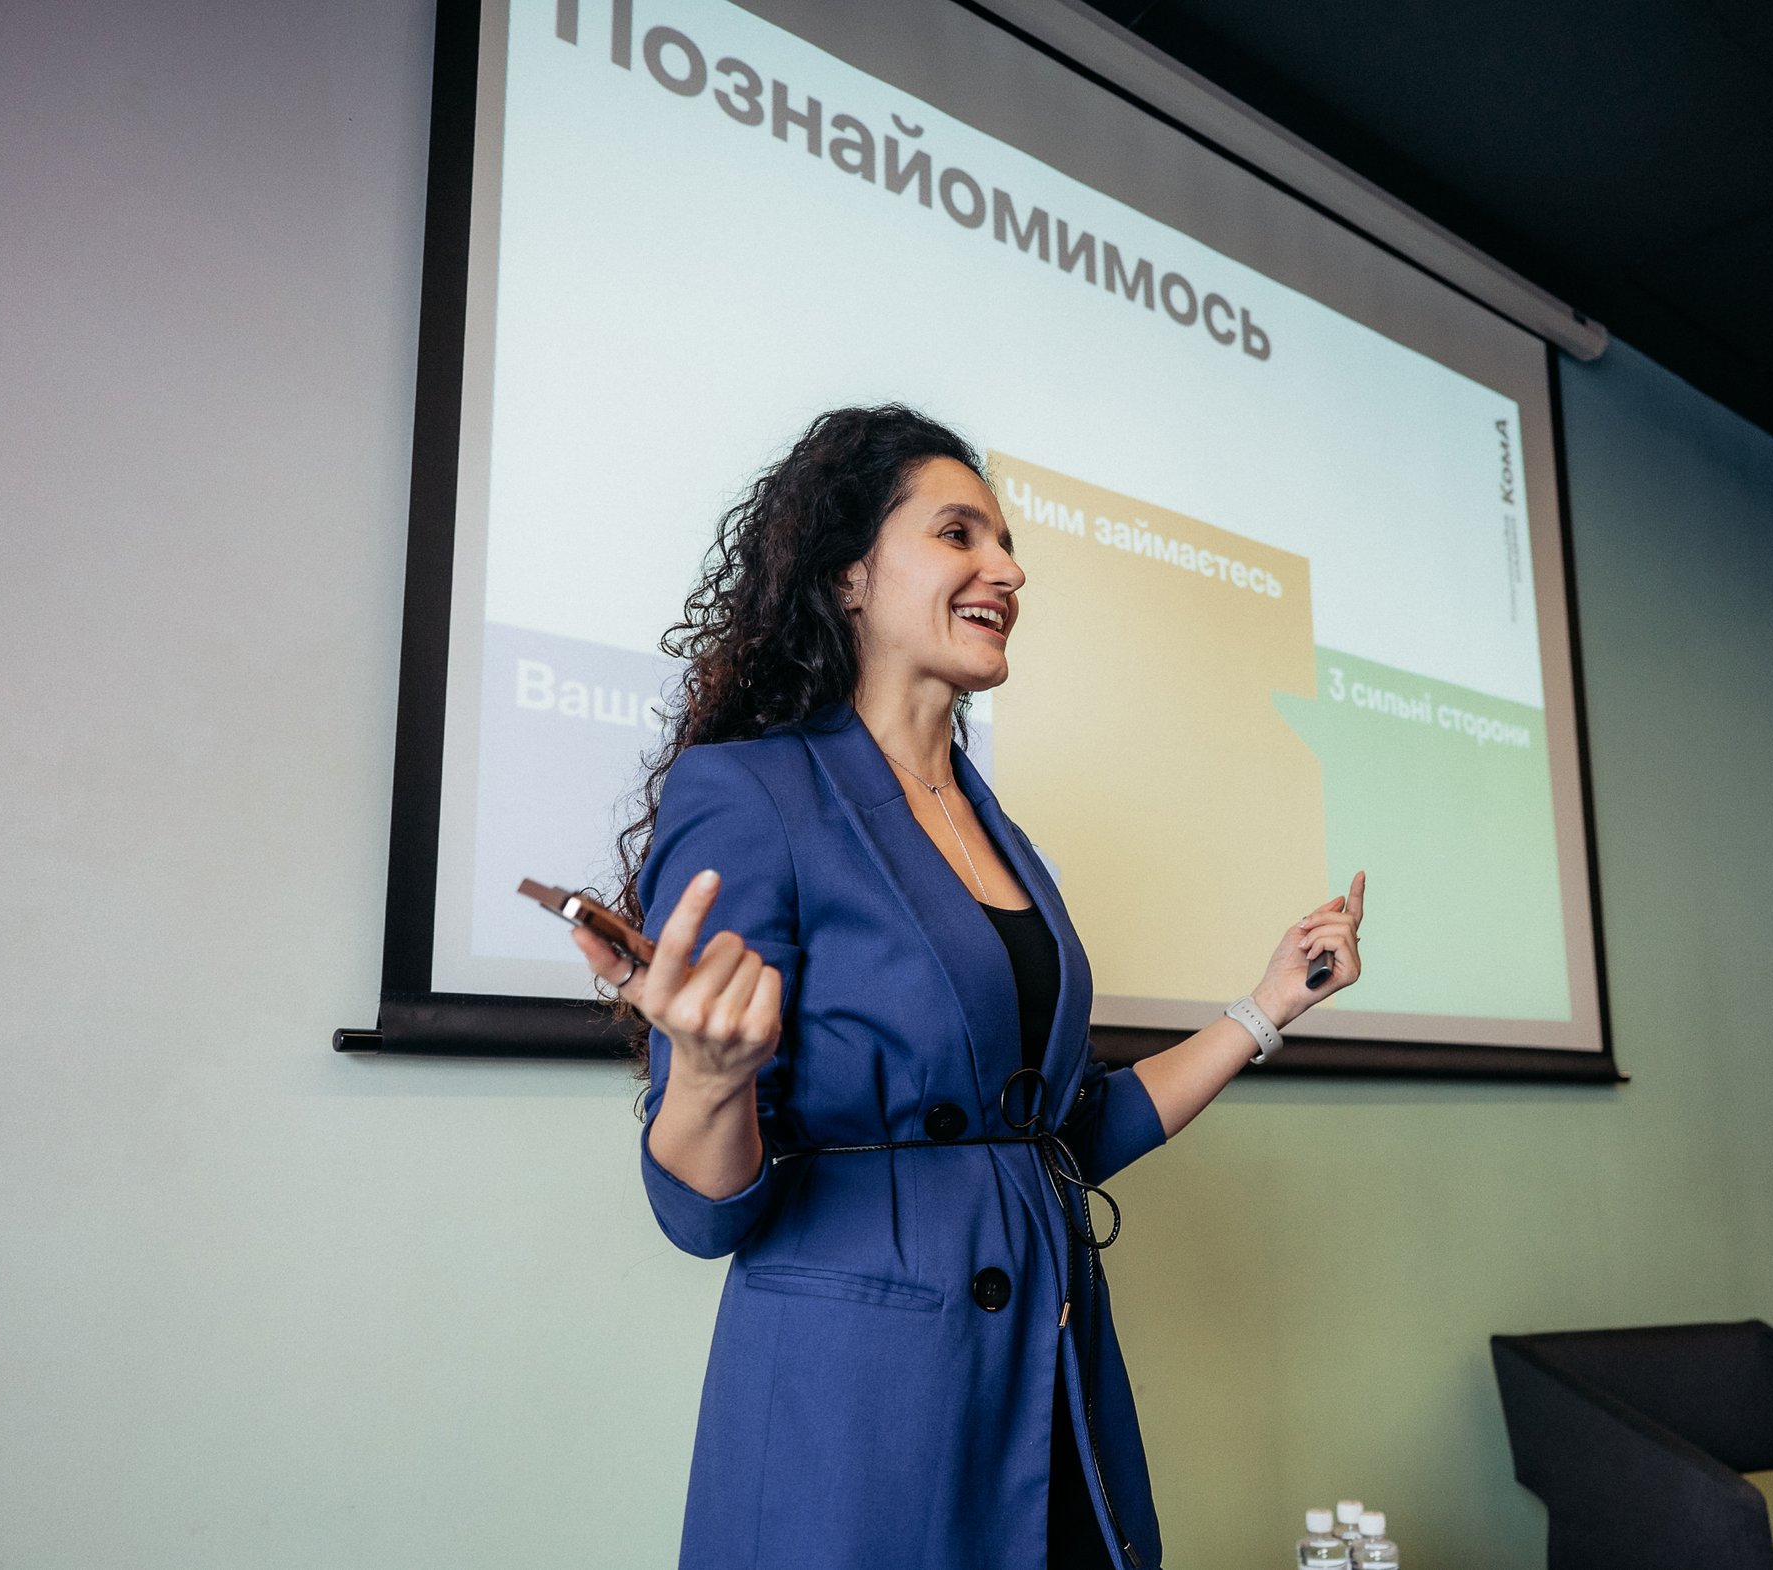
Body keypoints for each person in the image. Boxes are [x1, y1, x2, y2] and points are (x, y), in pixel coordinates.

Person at [569, 406, 1366, 1570]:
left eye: (1005, 542)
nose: (1007, 568)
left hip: (1049, 1368)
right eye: (958, 534)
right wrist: (707, 1072)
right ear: (847, 575)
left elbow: (1059, 1135)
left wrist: (1263, 1009)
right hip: (865, 1409)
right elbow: (703, 1214)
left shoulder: (1002, 836)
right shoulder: (750, 793)